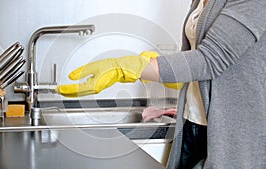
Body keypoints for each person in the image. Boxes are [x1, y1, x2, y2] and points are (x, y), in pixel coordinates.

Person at [56, 0, 266, 168]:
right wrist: (161, 67)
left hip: (231, 131)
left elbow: (210, 59)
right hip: (191, 124)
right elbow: (195, 59)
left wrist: (129, 67)